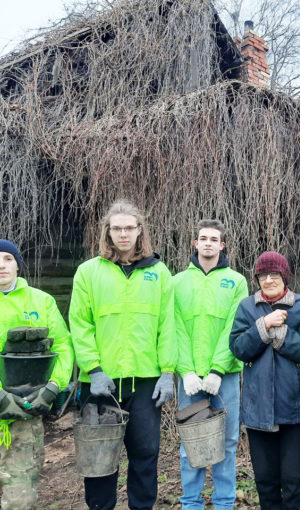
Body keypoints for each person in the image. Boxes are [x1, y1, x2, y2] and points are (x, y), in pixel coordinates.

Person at [69, 200, 176, 510]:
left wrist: (168, 372)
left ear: (139, 231)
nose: (123, 234)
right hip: (101, 382)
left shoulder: (159, 272)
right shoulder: (88, 272)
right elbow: (80, 324)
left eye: (129, 227)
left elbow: (167, 325)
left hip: (146, 382)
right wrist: (93, 368)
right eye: (117, 228)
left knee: (145, 454)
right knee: (100, 460)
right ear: (108, 232)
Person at [229, 251, 300, 510]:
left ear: (284, 276)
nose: (268, 280)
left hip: (296, 408)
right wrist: (263, 325)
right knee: (265, 481)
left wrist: (281, 333)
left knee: (294, 480)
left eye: (274, 274)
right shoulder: (247, 307)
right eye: (262, 275)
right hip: (258, 410)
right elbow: (238, 348)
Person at [173, 219, 248, 510]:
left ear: (222, 245)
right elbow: (174, 328)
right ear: (195, 243)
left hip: (224, 378)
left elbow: (235, 326)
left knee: (227, 442)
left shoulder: (236, 281)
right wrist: (185, 370)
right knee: (190, 443)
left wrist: (218, 368)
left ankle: (224, 503)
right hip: (189, 378)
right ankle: (191, 503)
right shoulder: (178, 282)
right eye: (202, 238)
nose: (207, 243)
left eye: (213, 239)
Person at [0, 239, 73, 510]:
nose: (1, 265)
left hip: (25, 412)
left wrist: (53, 386)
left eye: (8, 258)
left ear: (18, 265)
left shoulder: (41, 301)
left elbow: (63, 346)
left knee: (21, 500)